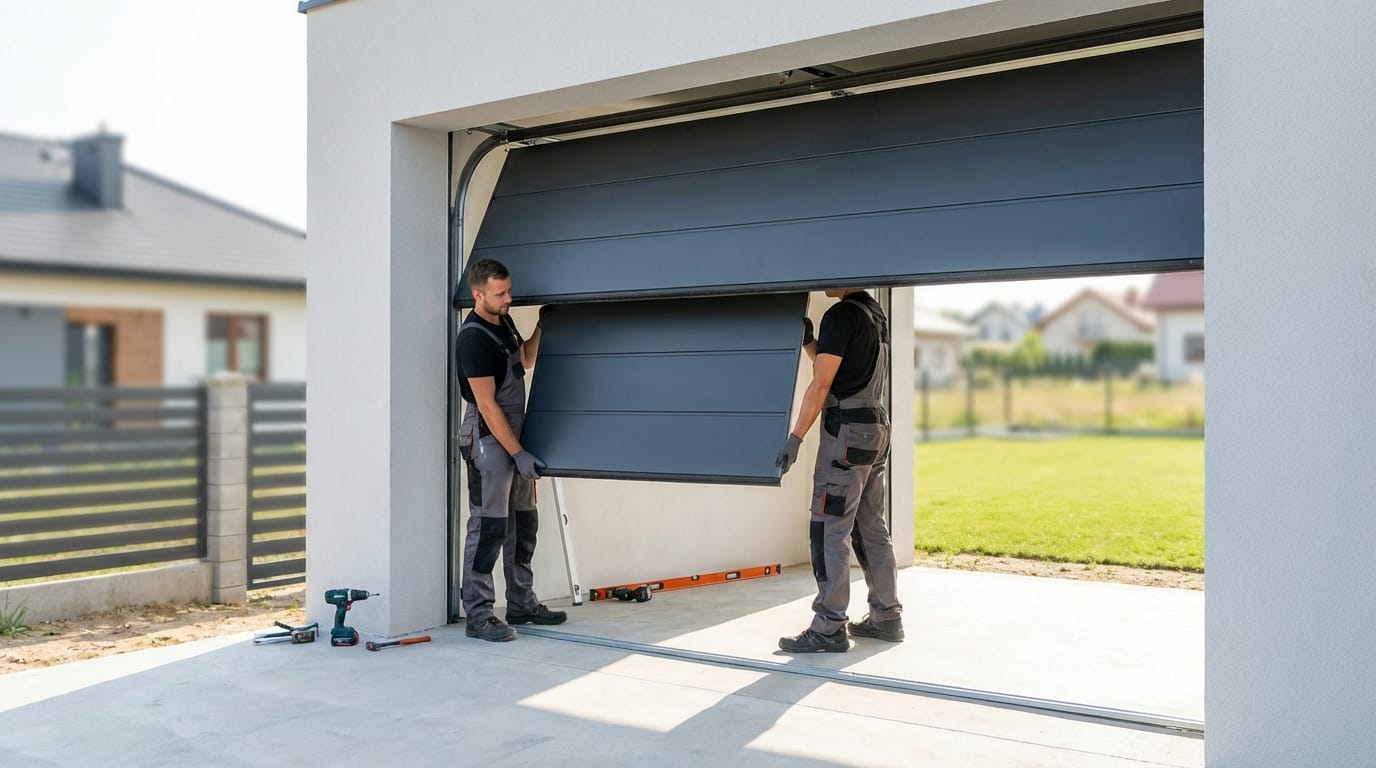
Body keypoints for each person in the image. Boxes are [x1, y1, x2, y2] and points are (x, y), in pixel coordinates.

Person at [775, 288, 903, 653]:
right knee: (871, 527)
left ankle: (829, 625)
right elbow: (843, 368)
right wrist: (811, 343)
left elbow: (823, 383)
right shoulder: (874, 313)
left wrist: (795, 437)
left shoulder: (840, 314)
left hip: (846, 434)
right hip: (875, 429)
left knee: (829, 527)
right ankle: (887, 617)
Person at [455, 257, 567, 642]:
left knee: (524, 524)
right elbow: (487, 406)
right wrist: (517, 453)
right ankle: (480, 614)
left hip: (515, 437)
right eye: (500, 293)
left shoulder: (503, 323)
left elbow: (526, 360)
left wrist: (541, 327)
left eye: (509, 291)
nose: (508, 298)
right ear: (477, 293)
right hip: (489, 442)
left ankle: (521, 603)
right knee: (489, 528)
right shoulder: (472, 339)